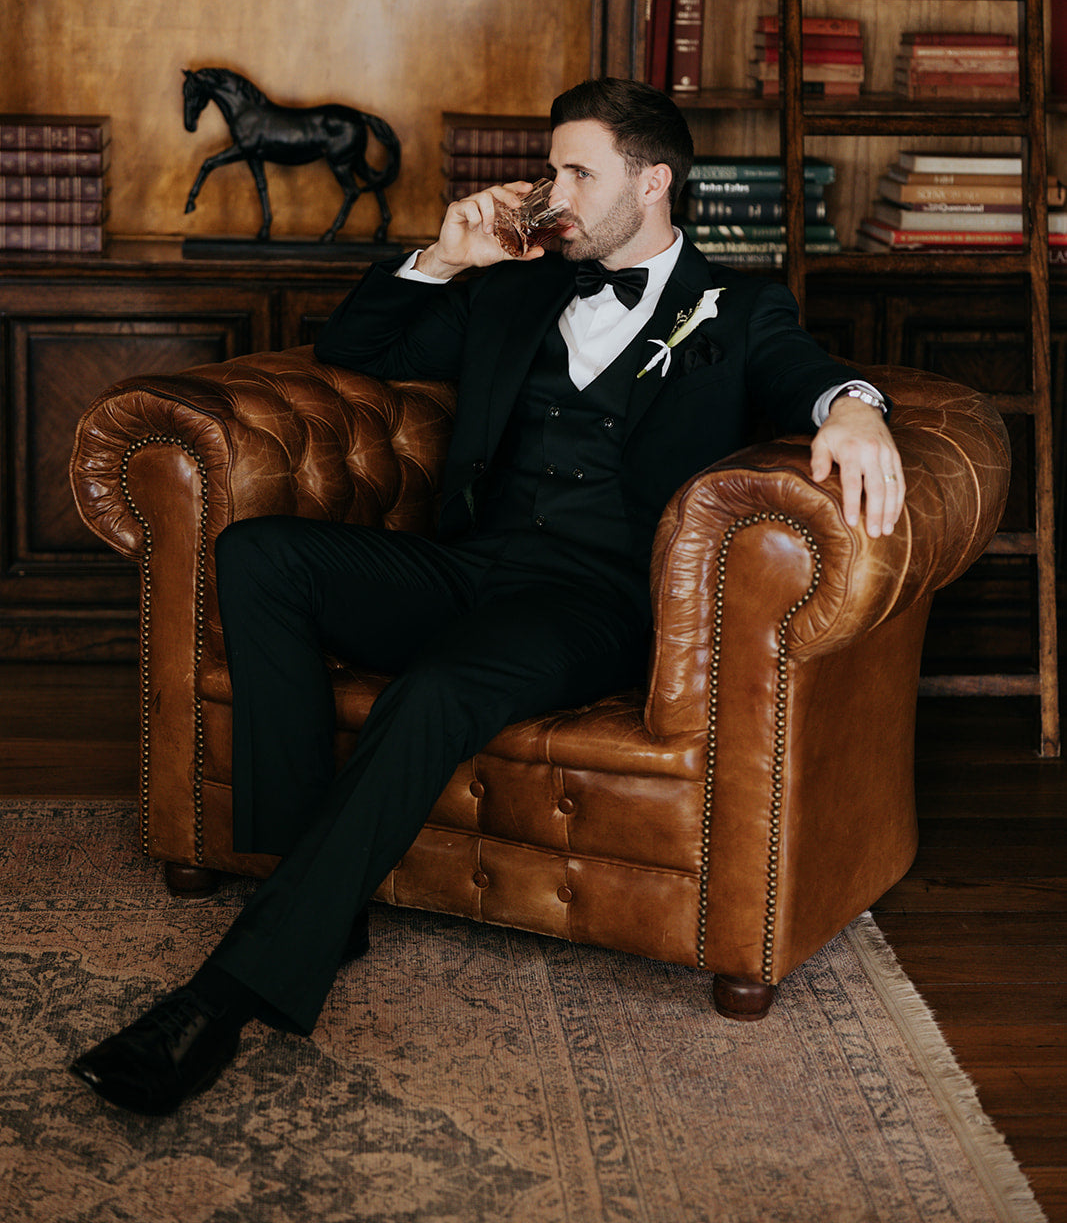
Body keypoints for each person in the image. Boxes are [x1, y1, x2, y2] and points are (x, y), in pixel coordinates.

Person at [70, 77, 905, 1116]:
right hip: (473, 563)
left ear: (651, 182)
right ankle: (315, 889)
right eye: (551, 168)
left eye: (577, 173)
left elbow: (805, 371)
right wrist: (443, 257)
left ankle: (223, 1000)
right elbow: (354, 350)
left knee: (435, 687)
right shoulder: (514, 287)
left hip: (593, 602)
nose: (551, 192)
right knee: (260, 556)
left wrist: (854, 409)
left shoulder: (735, 308)